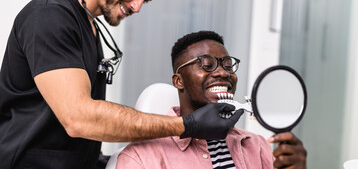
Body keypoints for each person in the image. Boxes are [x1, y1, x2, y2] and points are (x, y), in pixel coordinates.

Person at [0, 0, 242, 169]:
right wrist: (187, 125)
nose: (137, 7)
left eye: (145, 0)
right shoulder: (49, 17)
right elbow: (78, 118)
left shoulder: (89, 26)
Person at [116, 31, 307, 169]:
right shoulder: (140, 158)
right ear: (179, 81)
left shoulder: (257, 147)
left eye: (229, 66)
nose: (224, 73)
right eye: (207, 65)